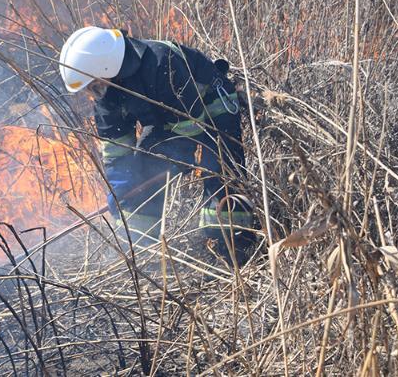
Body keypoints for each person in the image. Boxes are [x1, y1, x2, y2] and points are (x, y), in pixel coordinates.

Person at [59, 26, 256, 264]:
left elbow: (189, 126)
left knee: (220, 172)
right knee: (141, 170)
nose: (93, 94)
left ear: (106, 67)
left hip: (212, 106)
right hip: (168, 121)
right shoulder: (106, 95)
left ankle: (236, 250)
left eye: (93, 86)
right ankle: (144, 254)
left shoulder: (161, 62)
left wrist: (173, 160)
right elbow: (116, 150)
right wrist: (121, 191)